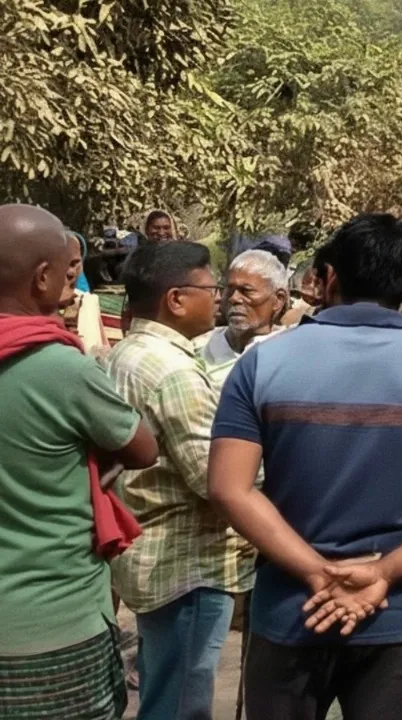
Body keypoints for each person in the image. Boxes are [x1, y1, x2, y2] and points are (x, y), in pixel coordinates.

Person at [208, 213, 402, 719]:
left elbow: (230, 488)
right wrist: (384, 572)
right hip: (400, 612)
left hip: (289, 608)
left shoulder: (262, 365)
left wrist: (316, 573)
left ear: (326, 278)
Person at [0, 204, 159, 720]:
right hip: (56, 627)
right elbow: (143, 449)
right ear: (42, 277)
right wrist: (93, 469)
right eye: (66, 270)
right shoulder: (60, 368)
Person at [104, 240, 255, 720]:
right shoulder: (174, 373)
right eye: (213, 289)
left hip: (150, 557)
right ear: (175, 298)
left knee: (163, 689)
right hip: (186, 568)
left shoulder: (126, 353)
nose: (222, 301)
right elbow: (214, 479)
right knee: (181, 705)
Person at [200, 250, 289, 387]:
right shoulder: (198, 347)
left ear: (278, 300)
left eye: (246, 291)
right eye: (229, 290)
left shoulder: (289, 355)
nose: (234, 298)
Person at [61, 231, 107, 353]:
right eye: (63, 263)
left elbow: (102, 350)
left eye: (76, 263)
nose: (71, 272)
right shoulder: (24, 312)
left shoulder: (88, 303)